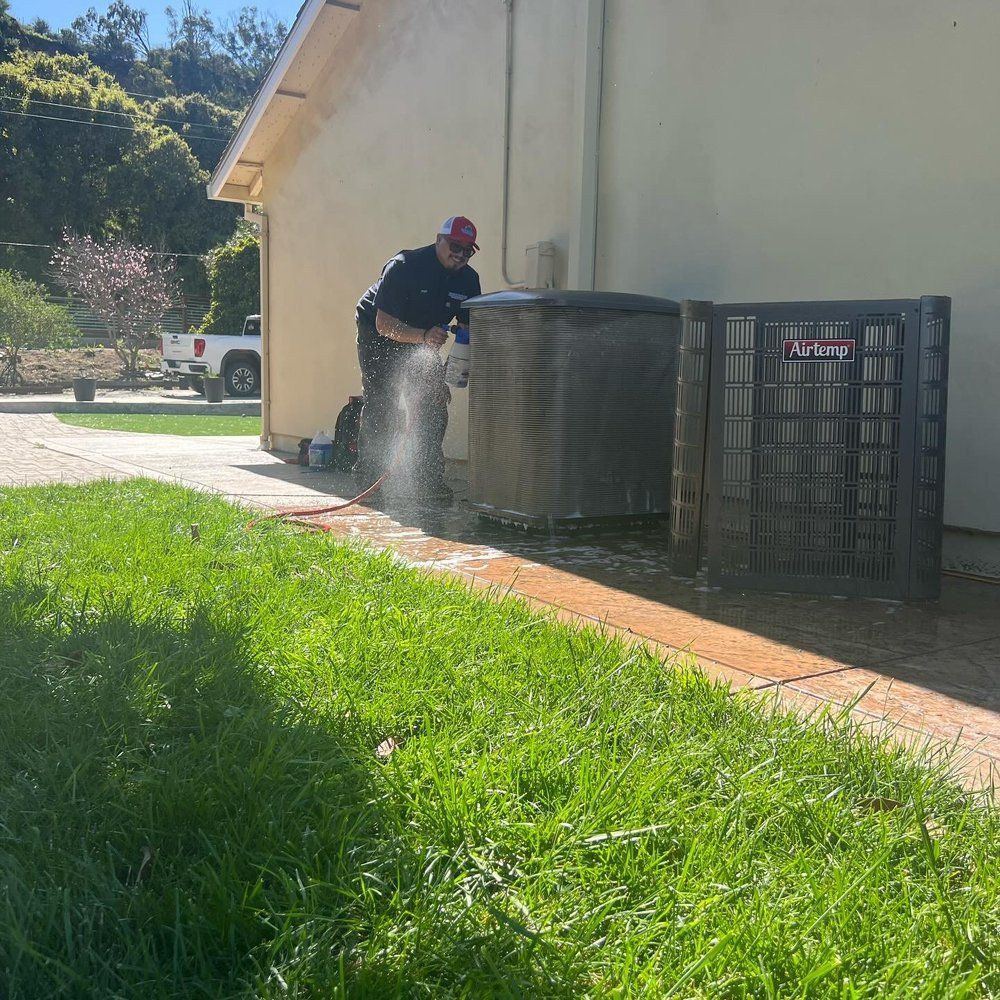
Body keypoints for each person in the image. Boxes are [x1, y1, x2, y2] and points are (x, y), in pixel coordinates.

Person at [354, 216, 482, 501]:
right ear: (439, 239)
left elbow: (466, 331)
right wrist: (423, 337)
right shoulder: (404, 267)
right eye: (455, 246)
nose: (460, 254)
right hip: (378, 332)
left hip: (425, 337)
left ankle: (430, 481)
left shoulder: (469, 280)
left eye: (468, 250)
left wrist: (450, 375)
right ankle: (369, 479)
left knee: (435, 405)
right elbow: (384, 325)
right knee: (382, 402)